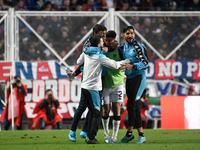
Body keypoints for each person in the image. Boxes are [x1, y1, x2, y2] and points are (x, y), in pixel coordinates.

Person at [77, 35, 128, 144]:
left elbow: (78, 61)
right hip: (93, 88)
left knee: (92, 112)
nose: (103, 42)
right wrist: (125, 61)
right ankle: (91, 137)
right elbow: (114, 65)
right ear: (99, 44)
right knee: (97, 113)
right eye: (102, 41)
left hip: (84, 86)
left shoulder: (86, 53)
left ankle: (89, 136)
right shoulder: (100, 57)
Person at [68, 24, 107, 142]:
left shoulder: (100, 44)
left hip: (98, 78)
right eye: (102, 34)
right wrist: (76, 72)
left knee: (93, 107)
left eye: (105, 34)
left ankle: (85, 131)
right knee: (83, 106)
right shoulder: (90, 45)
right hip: (89, 79)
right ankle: (73, 130)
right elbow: (84, 60)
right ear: (96, 34)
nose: (104, 37)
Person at [119, 26, 149, 144]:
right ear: (124, 35)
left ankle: (141, 135)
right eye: (127, 33)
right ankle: (130, 134)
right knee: (130, 106)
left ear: (134, 35)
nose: (130, 35)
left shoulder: (138, 46)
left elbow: (145, 63)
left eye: (131, 33)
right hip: (129, 79)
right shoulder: (123, 47)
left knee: (135, 105)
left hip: (139, 78)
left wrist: (132, 66)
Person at [101, 30, 125, 143]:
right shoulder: (102, 50)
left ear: (114, 40)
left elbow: (126, 61)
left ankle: (115, 136)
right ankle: (106, 132)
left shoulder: (119, 50)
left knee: (117, 109)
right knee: (106, 110)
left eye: (109, 40)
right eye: (106, 40)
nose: (107, 42)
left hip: (118, 84)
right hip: (105, 84)